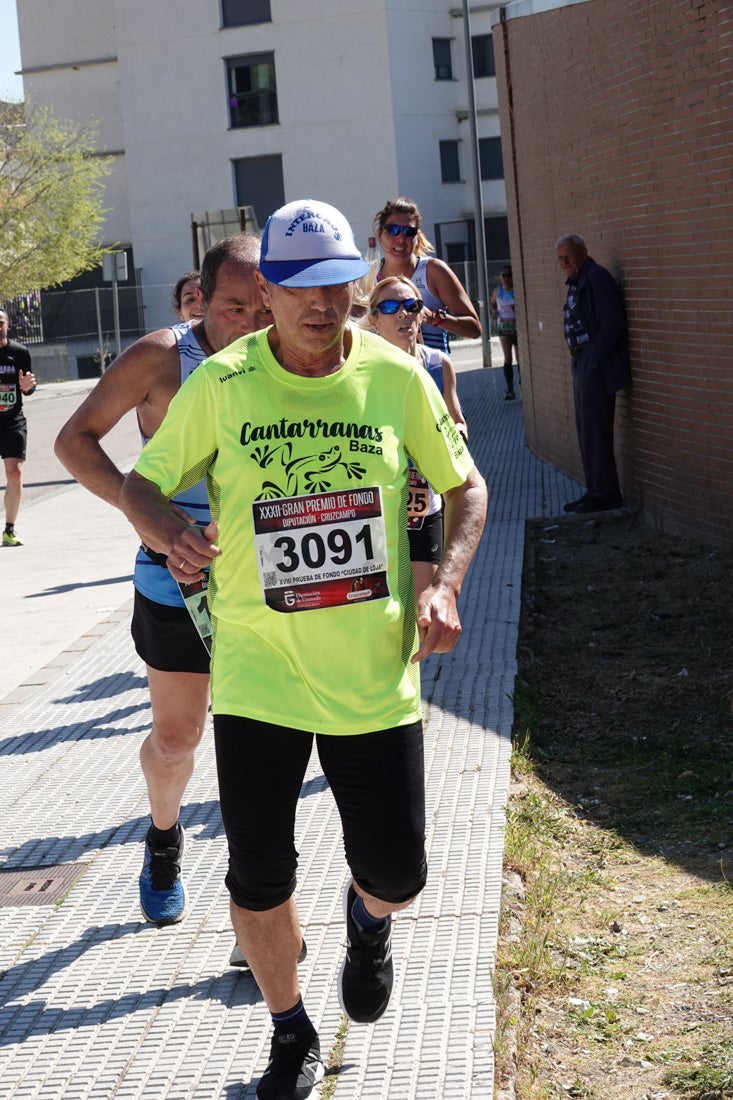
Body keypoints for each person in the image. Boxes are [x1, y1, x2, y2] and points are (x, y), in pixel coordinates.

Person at [119, 198, 488, 1100]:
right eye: (301, 289)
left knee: (398, 871)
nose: (323, 307)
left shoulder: (393, 376)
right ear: (267, 291)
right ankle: (288, 1033)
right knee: (257, 876)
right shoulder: (224, 381)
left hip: (372, 674)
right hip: (257, 675)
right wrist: (169, 529)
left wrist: (443, 583)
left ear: (357, 283)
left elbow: (464, 484)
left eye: (339, 287)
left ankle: (368, 924)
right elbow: (141, 480)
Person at [54, 235, 273, 933]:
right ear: (200, 299)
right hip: (176, 578)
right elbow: (73, 441)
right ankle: (163, 836)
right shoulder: (160, 357)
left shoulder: (285, 354)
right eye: (234, 306)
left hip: (268, 576)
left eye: (263, 307)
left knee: (265, 741)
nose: (250, 322)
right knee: (178, 740)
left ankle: (261, 903)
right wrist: (147, 515)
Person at [367, 275, 468, 598]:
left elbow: (459, 423)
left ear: (422, 314)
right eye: (390, 306)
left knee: (424, 609)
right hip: (377, 506)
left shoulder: (439, 365)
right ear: (373, 319)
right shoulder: (362, 373)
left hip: (424, 502)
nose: (403, 313)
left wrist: (454, 440)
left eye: (412, 305)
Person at [556, 234, 631, 514]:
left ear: (583, 252)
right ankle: (595, 490)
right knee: (586, 430)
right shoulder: (578, 280)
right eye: (560, 258)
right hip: (582, 362)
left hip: (593, 364)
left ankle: (606, 493)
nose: (564, 262)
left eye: (568, 256)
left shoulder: (596, 277)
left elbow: (613, 324)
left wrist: (593, 361)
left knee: (596, 430)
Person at [372, 196, 481, 353]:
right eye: (393, 230)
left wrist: (432, 317)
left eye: (409, 232)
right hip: (389, 372)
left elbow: (474, 329)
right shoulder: (369, 276)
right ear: (380, 234)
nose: (401, 238)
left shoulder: (433, 271)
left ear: (417, 236)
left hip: (432, 371)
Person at [0, 309, 36, 547]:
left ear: (7, 324)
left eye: (0, 322)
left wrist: (27, 387)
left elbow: (30, 385)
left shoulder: (19, 353)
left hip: (12, 421)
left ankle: (9, 529)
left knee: (15, 473)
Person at [490, 266, 520, 400]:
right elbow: (492, 303)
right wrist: (494, 311)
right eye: (504, 276)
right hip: (503, 328)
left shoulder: (516, 290)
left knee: (520, 359)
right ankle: (510, 389)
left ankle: (522, 384)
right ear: (500, 278)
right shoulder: (498, 291)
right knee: (507, 358)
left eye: (509, 275)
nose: (507, 278)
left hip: (517, 328)